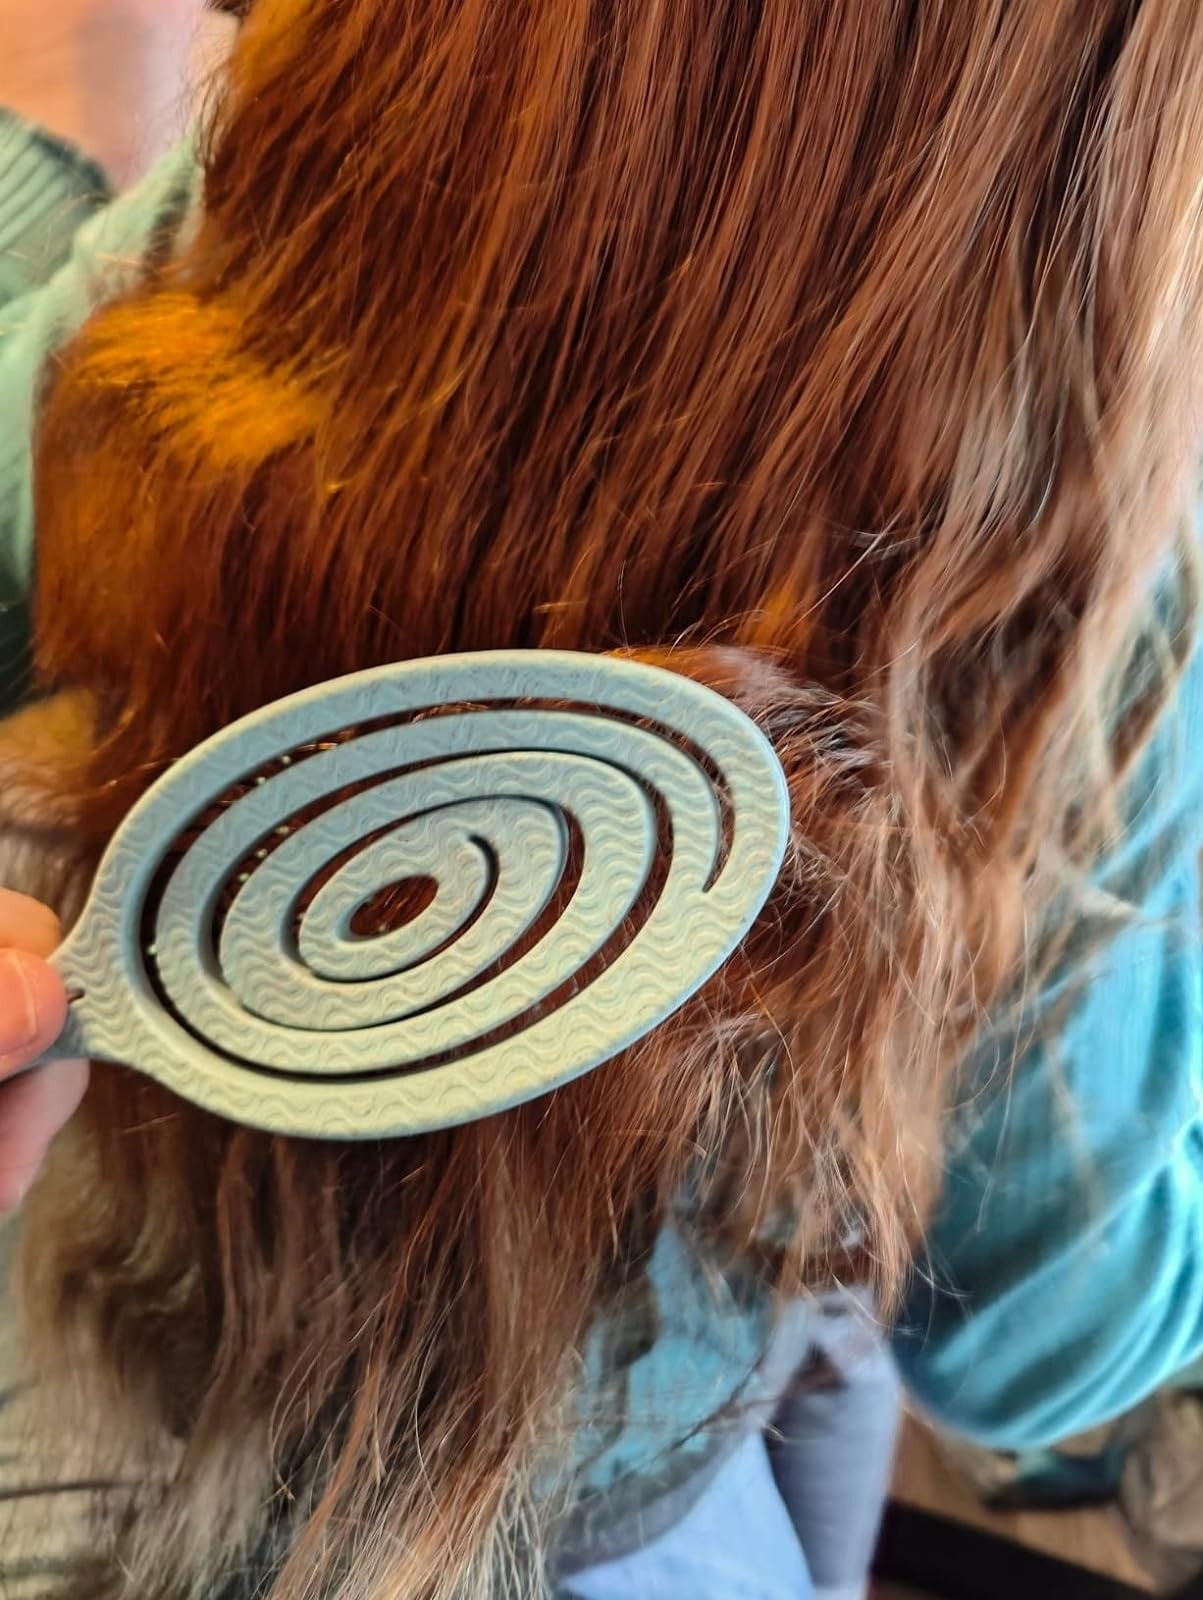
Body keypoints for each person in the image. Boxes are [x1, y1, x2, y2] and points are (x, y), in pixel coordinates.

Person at [2, 2, 1203, 1597]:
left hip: (129, 1286)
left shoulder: (186, 265)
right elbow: (1052, 1349)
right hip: (597, 1468)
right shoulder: (1063, 613)